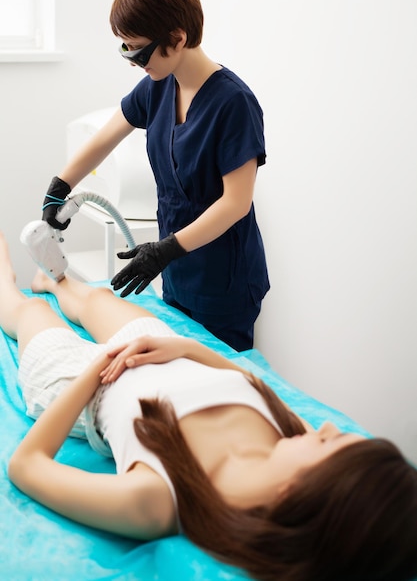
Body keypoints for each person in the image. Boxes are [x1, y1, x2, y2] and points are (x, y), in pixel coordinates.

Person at [2, 232, 417, 581]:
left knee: (30, 311)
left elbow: (27, 465)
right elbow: (253, 384)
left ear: (299, 497)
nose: (324, 428)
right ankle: (55, 280)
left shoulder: (159, 500)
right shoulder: (292, 442)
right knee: (93, 300)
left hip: (84, 383)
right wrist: (185, 346)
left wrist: (96, 369)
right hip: (162, 351)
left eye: (330, 443)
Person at [41, 0, 270, 352]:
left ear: (177, 39)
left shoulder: (233, 104)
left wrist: (164, 250)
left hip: (222, 279)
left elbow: (236, 203)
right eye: (124, 49)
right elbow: (105, 138)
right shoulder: (158, 87)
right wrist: (59, 188)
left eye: (139, 50)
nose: (133, 61)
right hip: (177, 270)